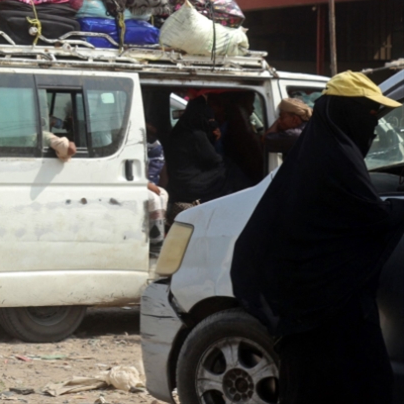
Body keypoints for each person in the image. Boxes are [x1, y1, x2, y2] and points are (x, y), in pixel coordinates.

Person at [231, 72, 404, 404]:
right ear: (344, 113)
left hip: (320, 305)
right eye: (368, 114)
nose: (372, 124)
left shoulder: (323, 153)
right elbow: (371, 217)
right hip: (324, 309)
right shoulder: (335, 158)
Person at [163, 95, 228, 222]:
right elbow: (214, 160)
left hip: (179, 183)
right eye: (209, 119)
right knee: (229, 171)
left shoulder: (181, 129)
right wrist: (218, 142)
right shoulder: (195, 134)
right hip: (190, 186)